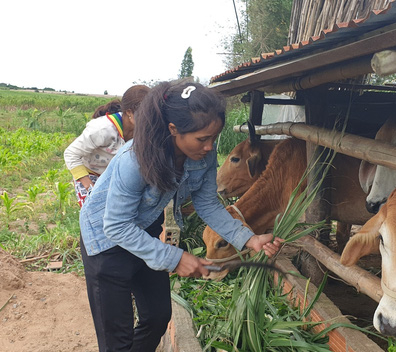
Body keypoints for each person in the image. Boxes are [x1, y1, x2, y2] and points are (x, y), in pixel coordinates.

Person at [79, 80, 282, 352]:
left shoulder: (202, 157)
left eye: (214, 138)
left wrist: (249, 239)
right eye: (202, 139)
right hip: (105, 240)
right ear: (173, 129)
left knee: (157, 316)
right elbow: (116, 226)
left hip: (143, 228)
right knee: (117, 339)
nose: (210, 147)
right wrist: (175, 258)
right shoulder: (135, 159)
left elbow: (208, 204)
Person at [64, 85, 151, 206]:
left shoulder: (143, 131)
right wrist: (90, 188)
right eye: (147, 115)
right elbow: (71, 154)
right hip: (90, 173)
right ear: (130, 113)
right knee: (94, 212)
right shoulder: (103, 129)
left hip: (113, 174)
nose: (151, 119)